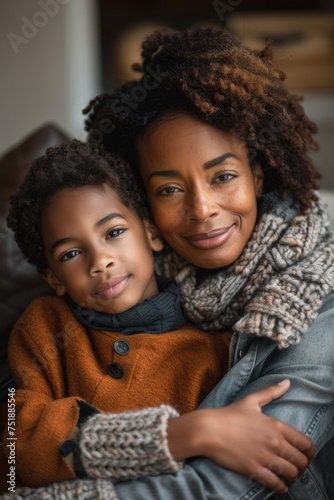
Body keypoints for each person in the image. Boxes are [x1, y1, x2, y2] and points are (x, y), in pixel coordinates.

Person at [80, 25, 334, 499]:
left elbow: (221, 488)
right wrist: (188, 433)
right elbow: (22, 436)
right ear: (144, 202)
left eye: (222, 176)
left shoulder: (321, 308)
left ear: (257, 176)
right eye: (170, 189)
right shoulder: (119, 281)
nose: (201, 210)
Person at [2, 139, 235, 491]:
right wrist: (170, 437)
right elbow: (14, 448)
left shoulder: (214, 348)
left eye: (114, 232)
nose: (99, 262)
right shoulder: (44, 327)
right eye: (70, 254)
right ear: (53, 278)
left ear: (151, 233)